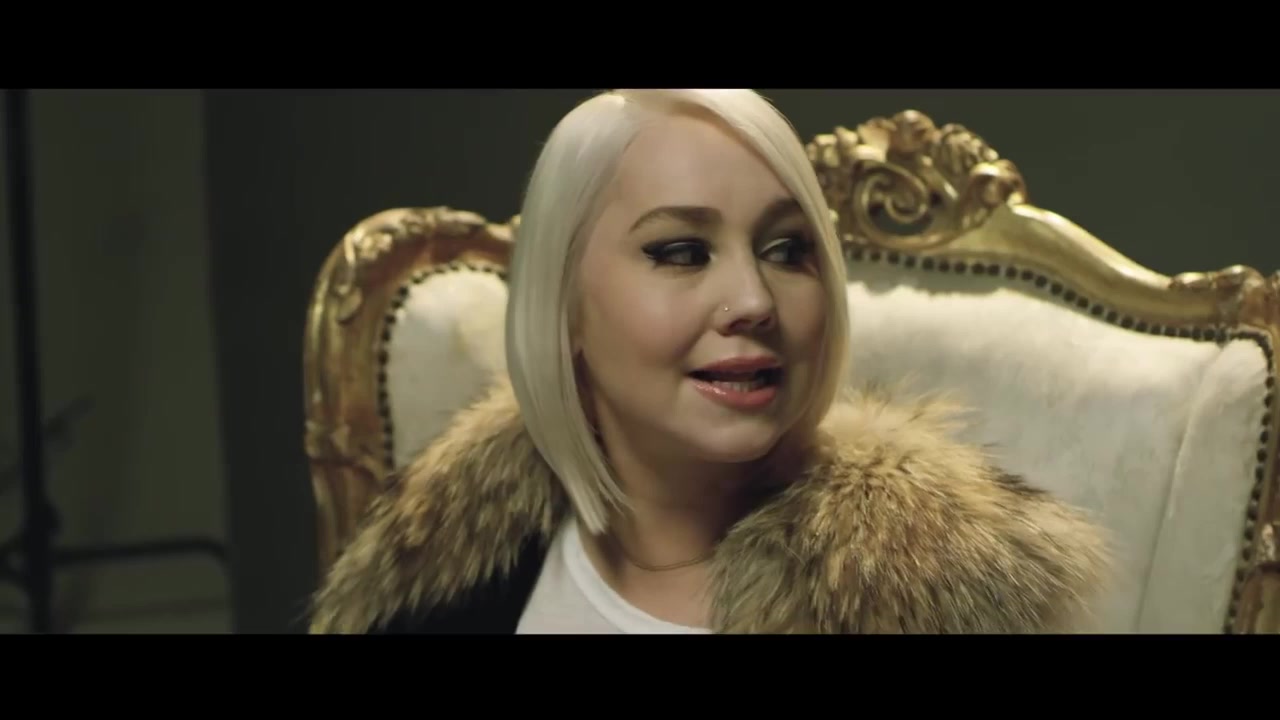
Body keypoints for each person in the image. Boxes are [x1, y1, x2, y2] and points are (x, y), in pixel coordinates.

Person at [308, 89, 1112, 634]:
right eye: (682, 252)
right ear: (564, 307)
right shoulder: (439, 580)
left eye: (786, 249)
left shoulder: (938, 601)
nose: (754, 300)